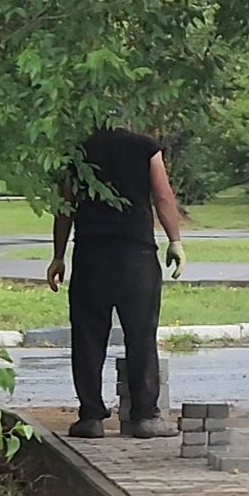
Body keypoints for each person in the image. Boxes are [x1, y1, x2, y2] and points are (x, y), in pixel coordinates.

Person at [46, 127, 186, 439]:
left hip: (91, 255)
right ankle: (145, 417)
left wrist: (58, 255)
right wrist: (175, 240)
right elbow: (162, 194)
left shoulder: (77, 148)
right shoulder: (145, 147)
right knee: (141, 335)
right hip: (136, 254)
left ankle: (91, 417)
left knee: (87, 337)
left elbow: (65, 205)